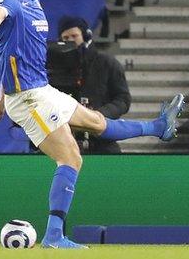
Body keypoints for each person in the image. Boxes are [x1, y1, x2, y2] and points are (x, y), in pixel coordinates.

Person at [0, 0, 184, 249]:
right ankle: (53, 236)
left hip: (41, 90)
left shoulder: (32, 2)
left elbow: (11, 51)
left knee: (97, 122)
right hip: (28, 99)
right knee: (71, 157)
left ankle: (159, 128)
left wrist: (1, 94)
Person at [52, 15, 131, 154]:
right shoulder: (53, 70)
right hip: (65, 141)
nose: (70, 41)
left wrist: (98, 115)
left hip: (101, 140)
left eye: (74, 36)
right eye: (65, 38)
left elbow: (123, 99)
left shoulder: (107, 63)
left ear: (86, 36)